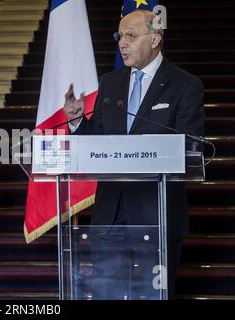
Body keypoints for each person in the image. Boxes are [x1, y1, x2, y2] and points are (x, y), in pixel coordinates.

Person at [64, 10, 204, 299]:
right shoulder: (111, 82)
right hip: (110, 215)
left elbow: (191, 149)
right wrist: (78, 121)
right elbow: (97, 142)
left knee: (159, 295)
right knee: (108, 295)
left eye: (131, 35)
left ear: (155, 39)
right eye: (119, 36)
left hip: (157, 214)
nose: (122, 43)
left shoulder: (185, 85)